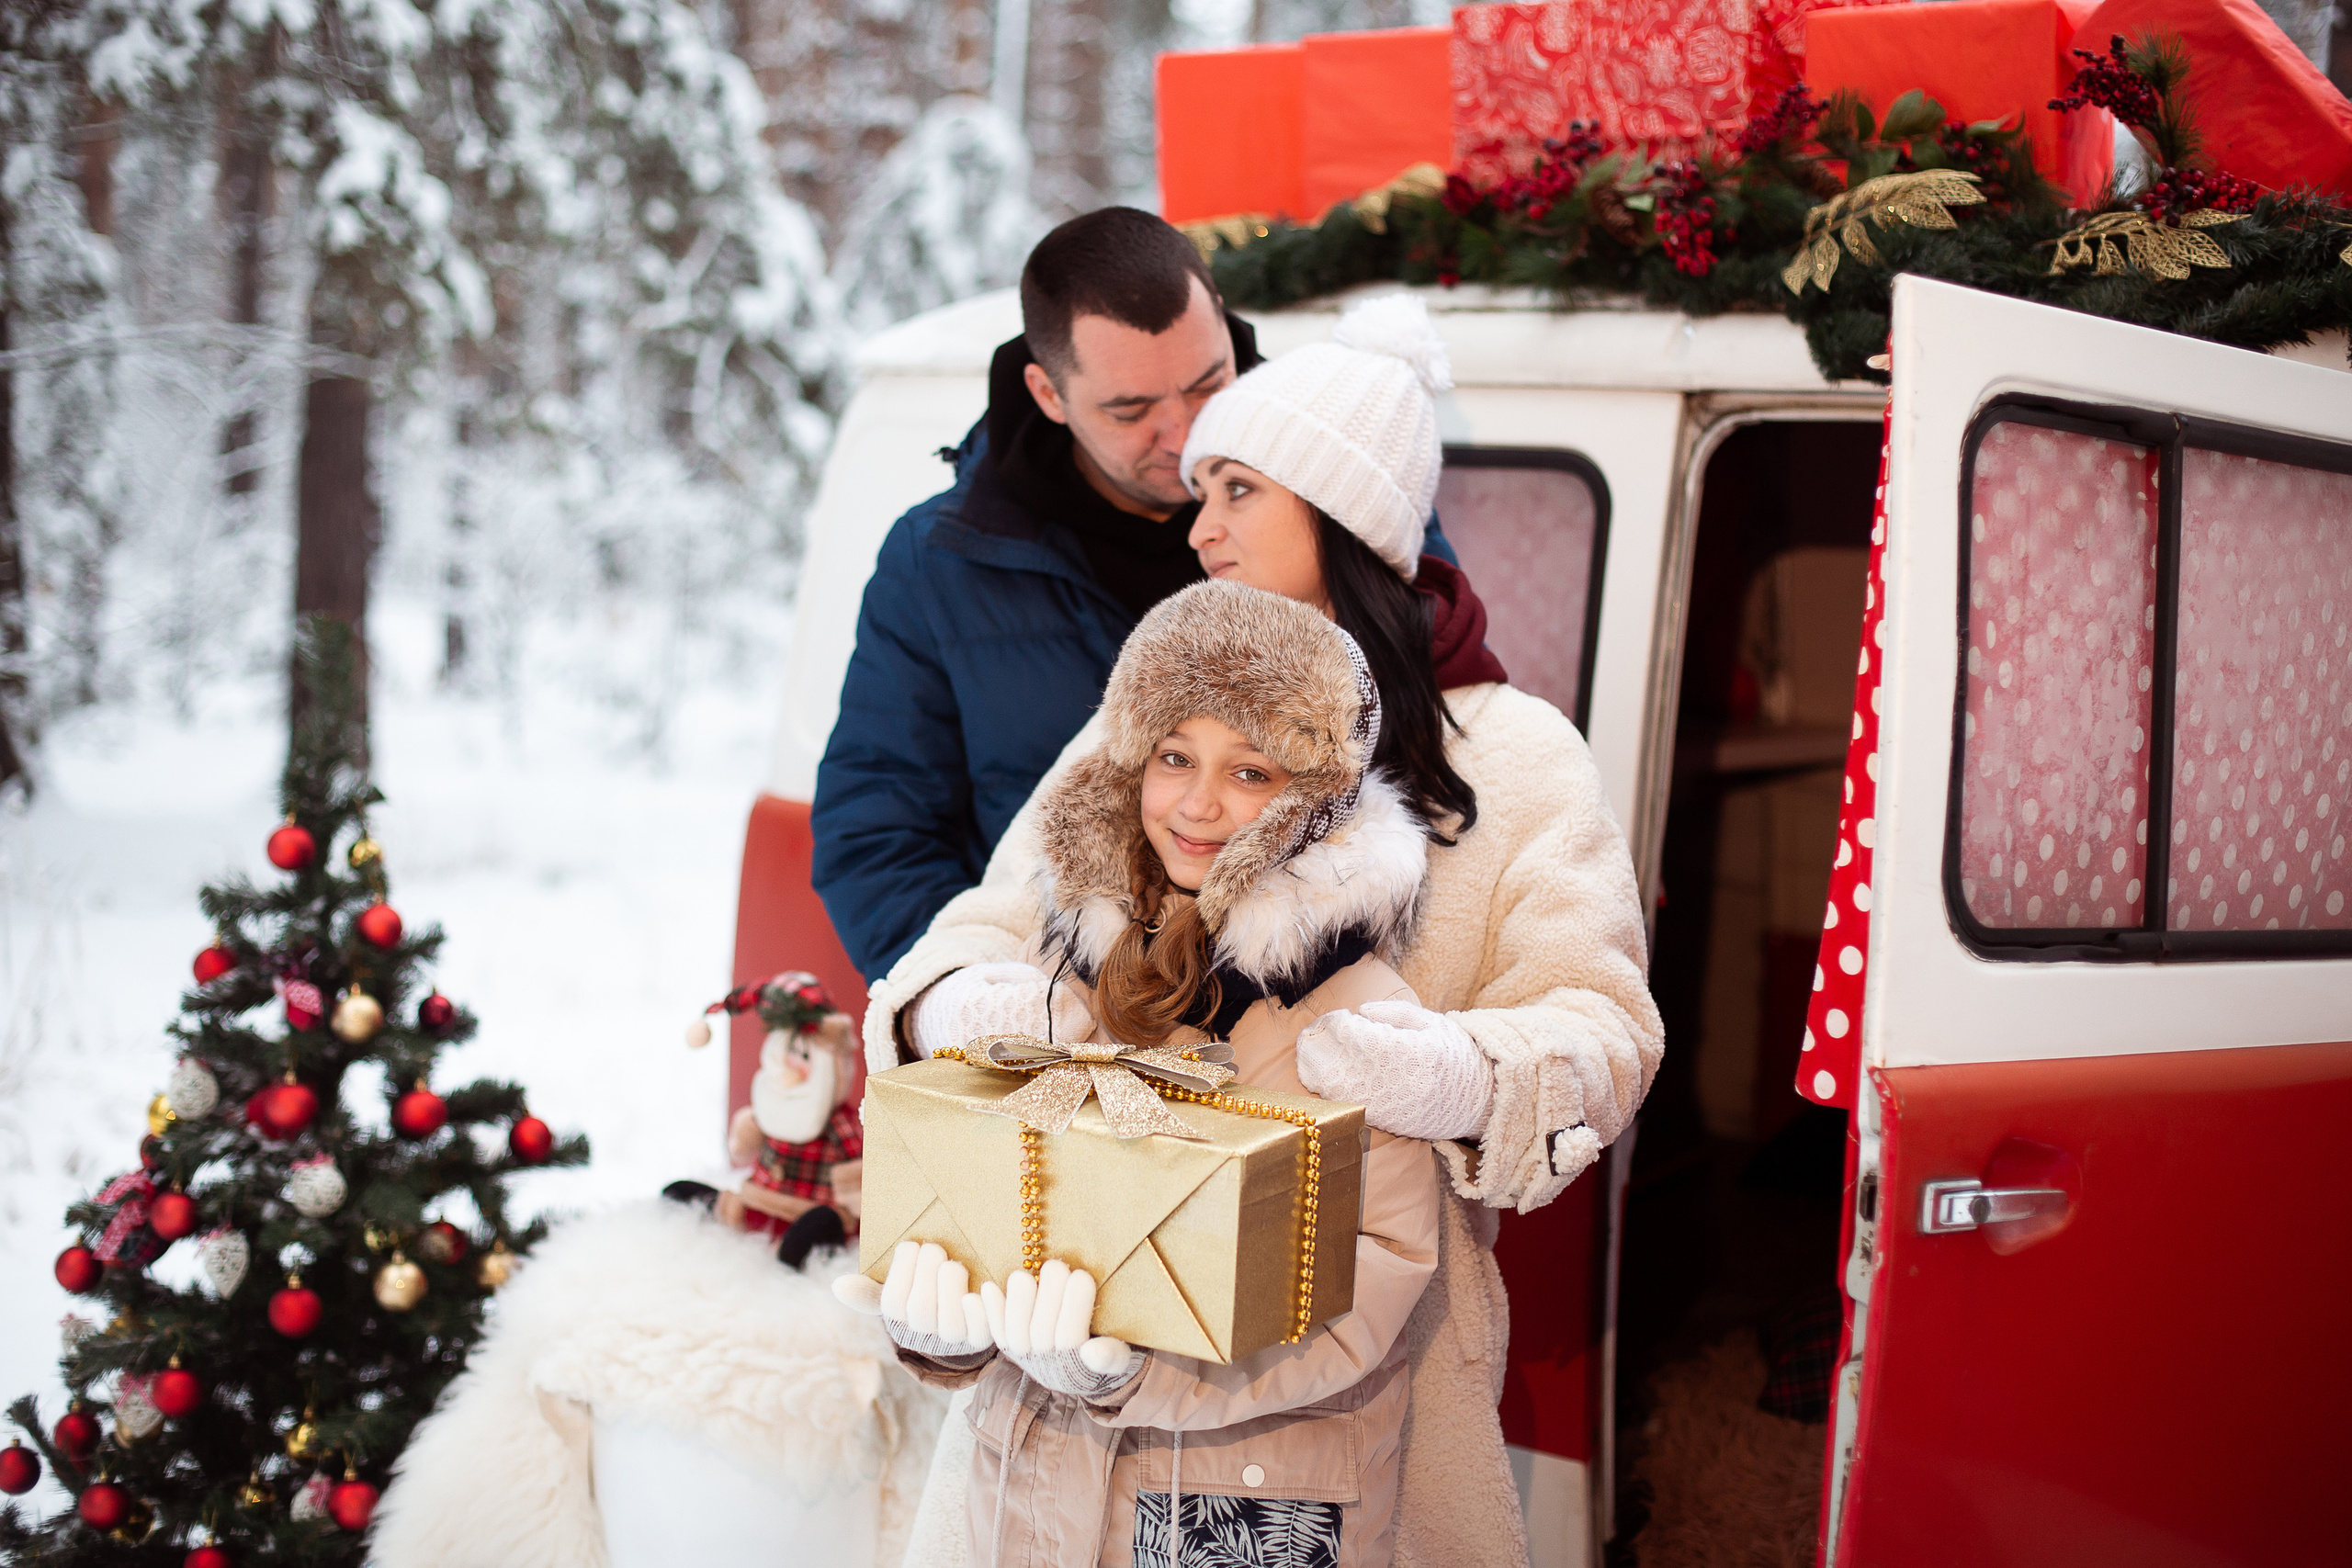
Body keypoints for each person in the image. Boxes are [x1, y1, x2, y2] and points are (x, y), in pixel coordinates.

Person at [868, 293, 1664, 1568]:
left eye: (1238, 486)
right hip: (1066, 1353)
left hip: (1341, 1384)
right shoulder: (1155, 710)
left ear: (1339, 512)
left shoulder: (1513, 754)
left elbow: (1605, 1025)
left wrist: (1457, 1073)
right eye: (1199, 488)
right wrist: (951, 1000)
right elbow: (988, 918)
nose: (1202, 524)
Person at [839, 581, 1442, 1566]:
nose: (1198, 805)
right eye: (1173, 758)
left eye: (1249, 772)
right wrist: (957, 1331)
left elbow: (1373, 1281)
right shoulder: (1067, 965)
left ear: (1312, 795)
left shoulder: (1350, 1009)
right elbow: (1014, 1193)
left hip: (1236, 1504)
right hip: (1039, 1500)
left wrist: (1125, 1373)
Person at [809, 207, 1453, 983]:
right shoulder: (942, 563)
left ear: (1223, 321)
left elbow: (1438, 743)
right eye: (1131, 410)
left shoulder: (1334, 476)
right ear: (1049, 393)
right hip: (1065, 1032)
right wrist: (989, 1006)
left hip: (1316, 1011)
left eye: (1209, 382)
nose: (1184, 434)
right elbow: (877, 837)